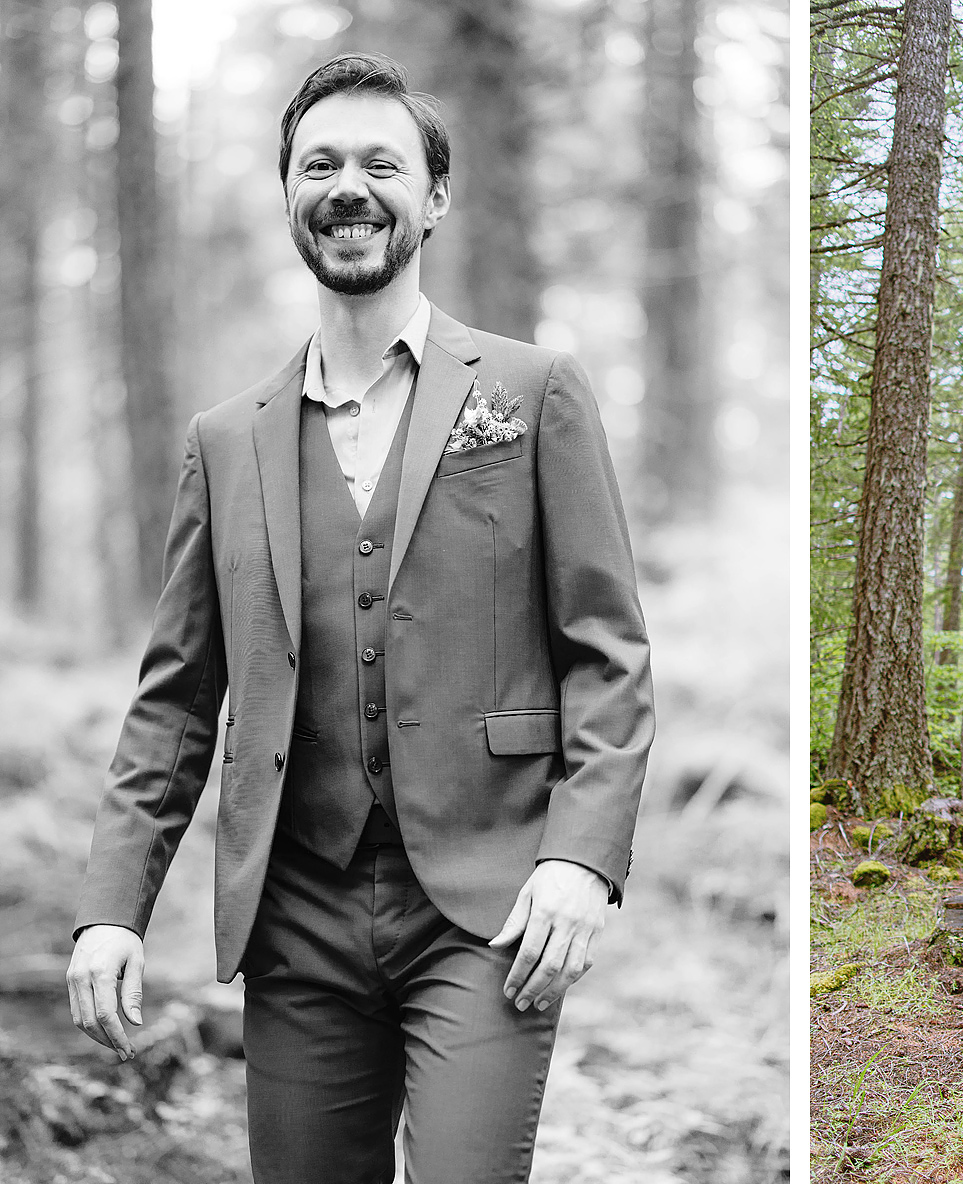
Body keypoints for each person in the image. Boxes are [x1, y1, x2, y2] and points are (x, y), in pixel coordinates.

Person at [65, 52, 653, 1182]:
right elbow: (177, 701)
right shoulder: (224, 439)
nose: (348, 186)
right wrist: (110, 907)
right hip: (295, 917)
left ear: (434, 197)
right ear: (287, 192)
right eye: (318, 162)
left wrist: (582, 857)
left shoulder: (533, 392)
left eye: (380, 162)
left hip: (489, 908)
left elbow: (608, 652)